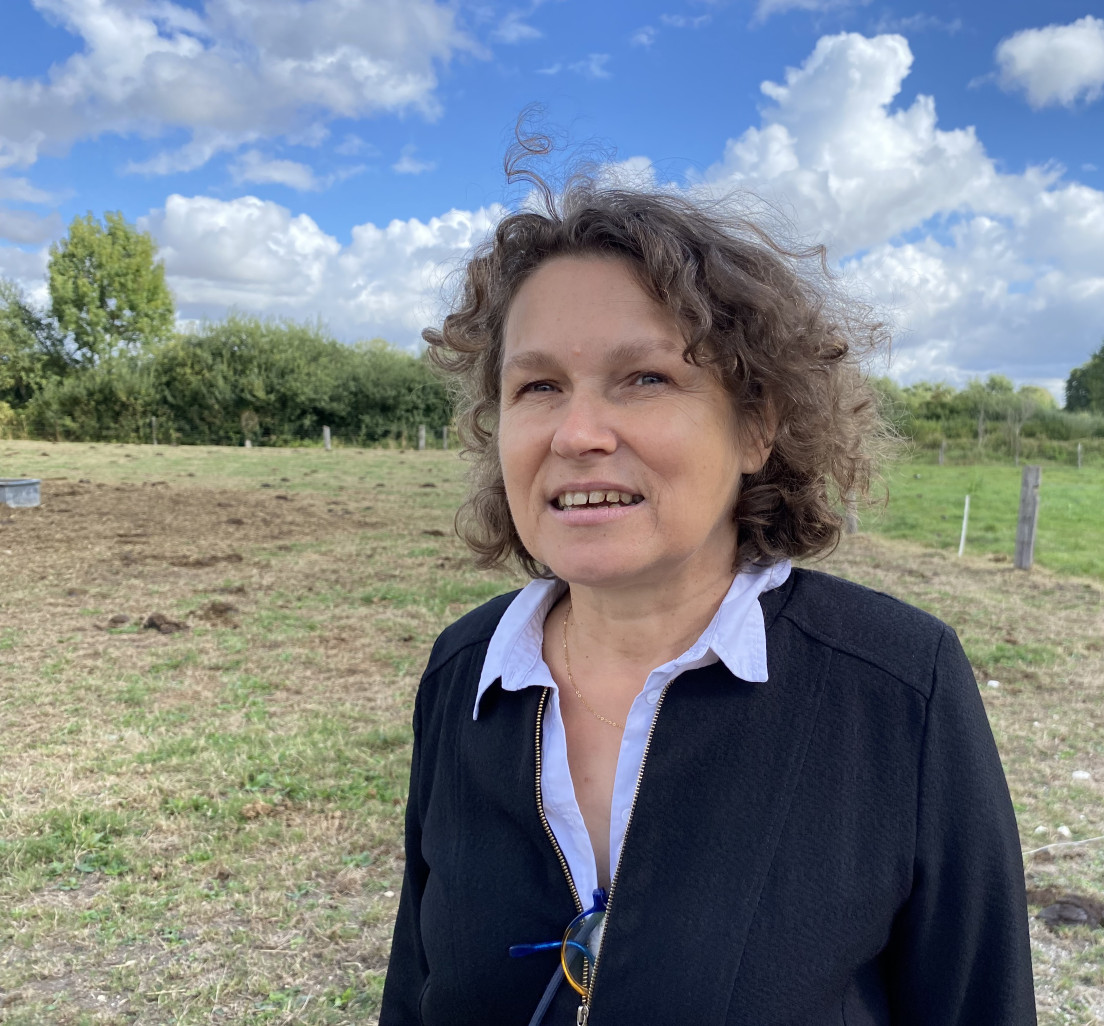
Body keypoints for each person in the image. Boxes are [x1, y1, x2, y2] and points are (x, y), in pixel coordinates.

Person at [379, 149, 1036, 1025]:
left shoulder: (899, 687)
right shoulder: (464, 674)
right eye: (538, 386)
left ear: (758, 424)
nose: (576, 432)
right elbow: (413, 991)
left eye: (645, 378)